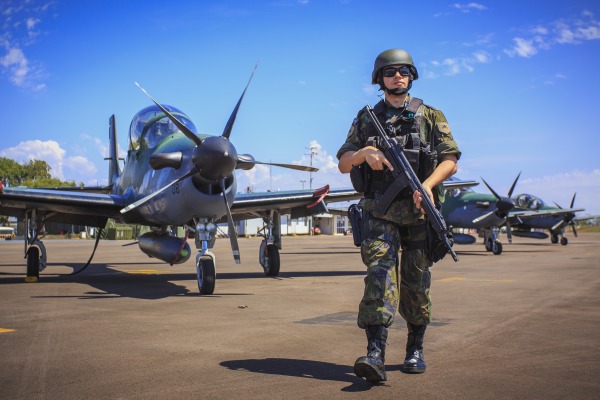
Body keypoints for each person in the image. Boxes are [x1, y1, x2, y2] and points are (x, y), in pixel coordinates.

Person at [337, 48, 461, 383]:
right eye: (390, 72)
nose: (398, 76)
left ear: (412, 75)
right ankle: (375, 353)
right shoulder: (366, 119)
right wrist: (364, 153)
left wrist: (429, 184)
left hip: (420, 212)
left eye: (404, 71)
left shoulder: (431, 115)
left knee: (416, 283)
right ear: (379, 78)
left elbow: (450, 159)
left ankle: (415, 349)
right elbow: (343, 162)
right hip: (380, 212)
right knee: (380, 276)